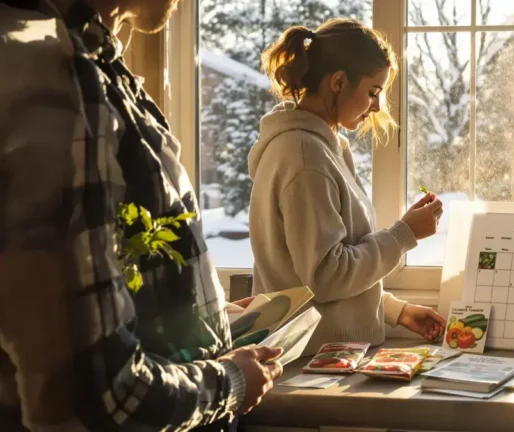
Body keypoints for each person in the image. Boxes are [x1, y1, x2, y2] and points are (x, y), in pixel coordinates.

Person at [0, 1, 281, 430]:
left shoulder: (96, 64)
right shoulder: (54, 73)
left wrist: (206, 317)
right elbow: (104, 394)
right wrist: (231, 382)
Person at [248, 18, 447, 355]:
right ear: (338, 82)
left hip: (326, 357)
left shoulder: (324, 147)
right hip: (310, 365)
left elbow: (314, 276)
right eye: (373, 92)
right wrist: (403, 234)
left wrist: (395, 311)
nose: (378, 106)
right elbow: (327, 277)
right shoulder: (304, 156)